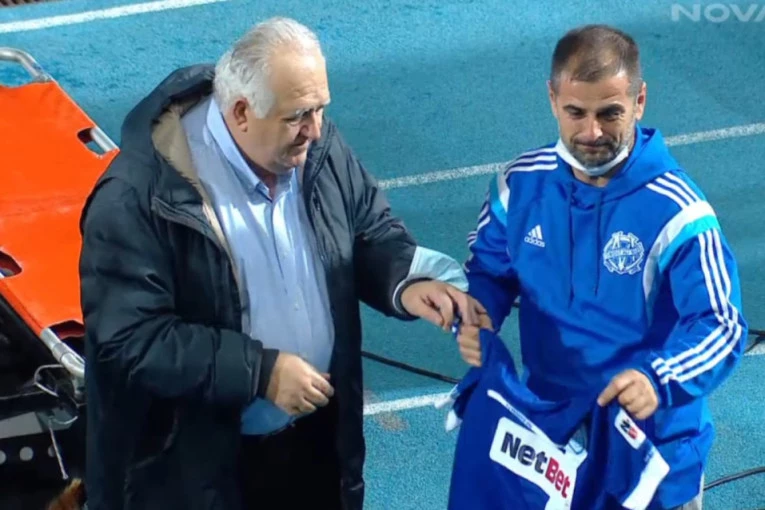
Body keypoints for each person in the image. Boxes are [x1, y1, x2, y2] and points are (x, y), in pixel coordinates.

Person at [78, 17, 485, 510]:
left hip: (313, 448)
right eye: (299, 116)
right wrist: (259, 372)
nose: (316, 129)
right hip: (195, 471)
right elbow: (130, 340)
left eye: (320, 109)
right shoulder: (136, 197)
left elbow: (366, 230)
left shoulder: (314, 146)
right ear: (242, 113)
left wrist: (405, 279)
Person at [456, 24, 748, 510]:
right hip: (552, 439)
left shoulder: (679, 212)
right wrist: (476, 313)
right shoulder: (518, 185)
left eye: (609, 113)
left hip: (653, 455)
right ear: (552, 99)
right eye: (576, 112)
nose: (591, 132)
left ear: (639, 101)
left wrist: (658, 378)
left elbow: (721, 325)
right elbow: (487, 270)